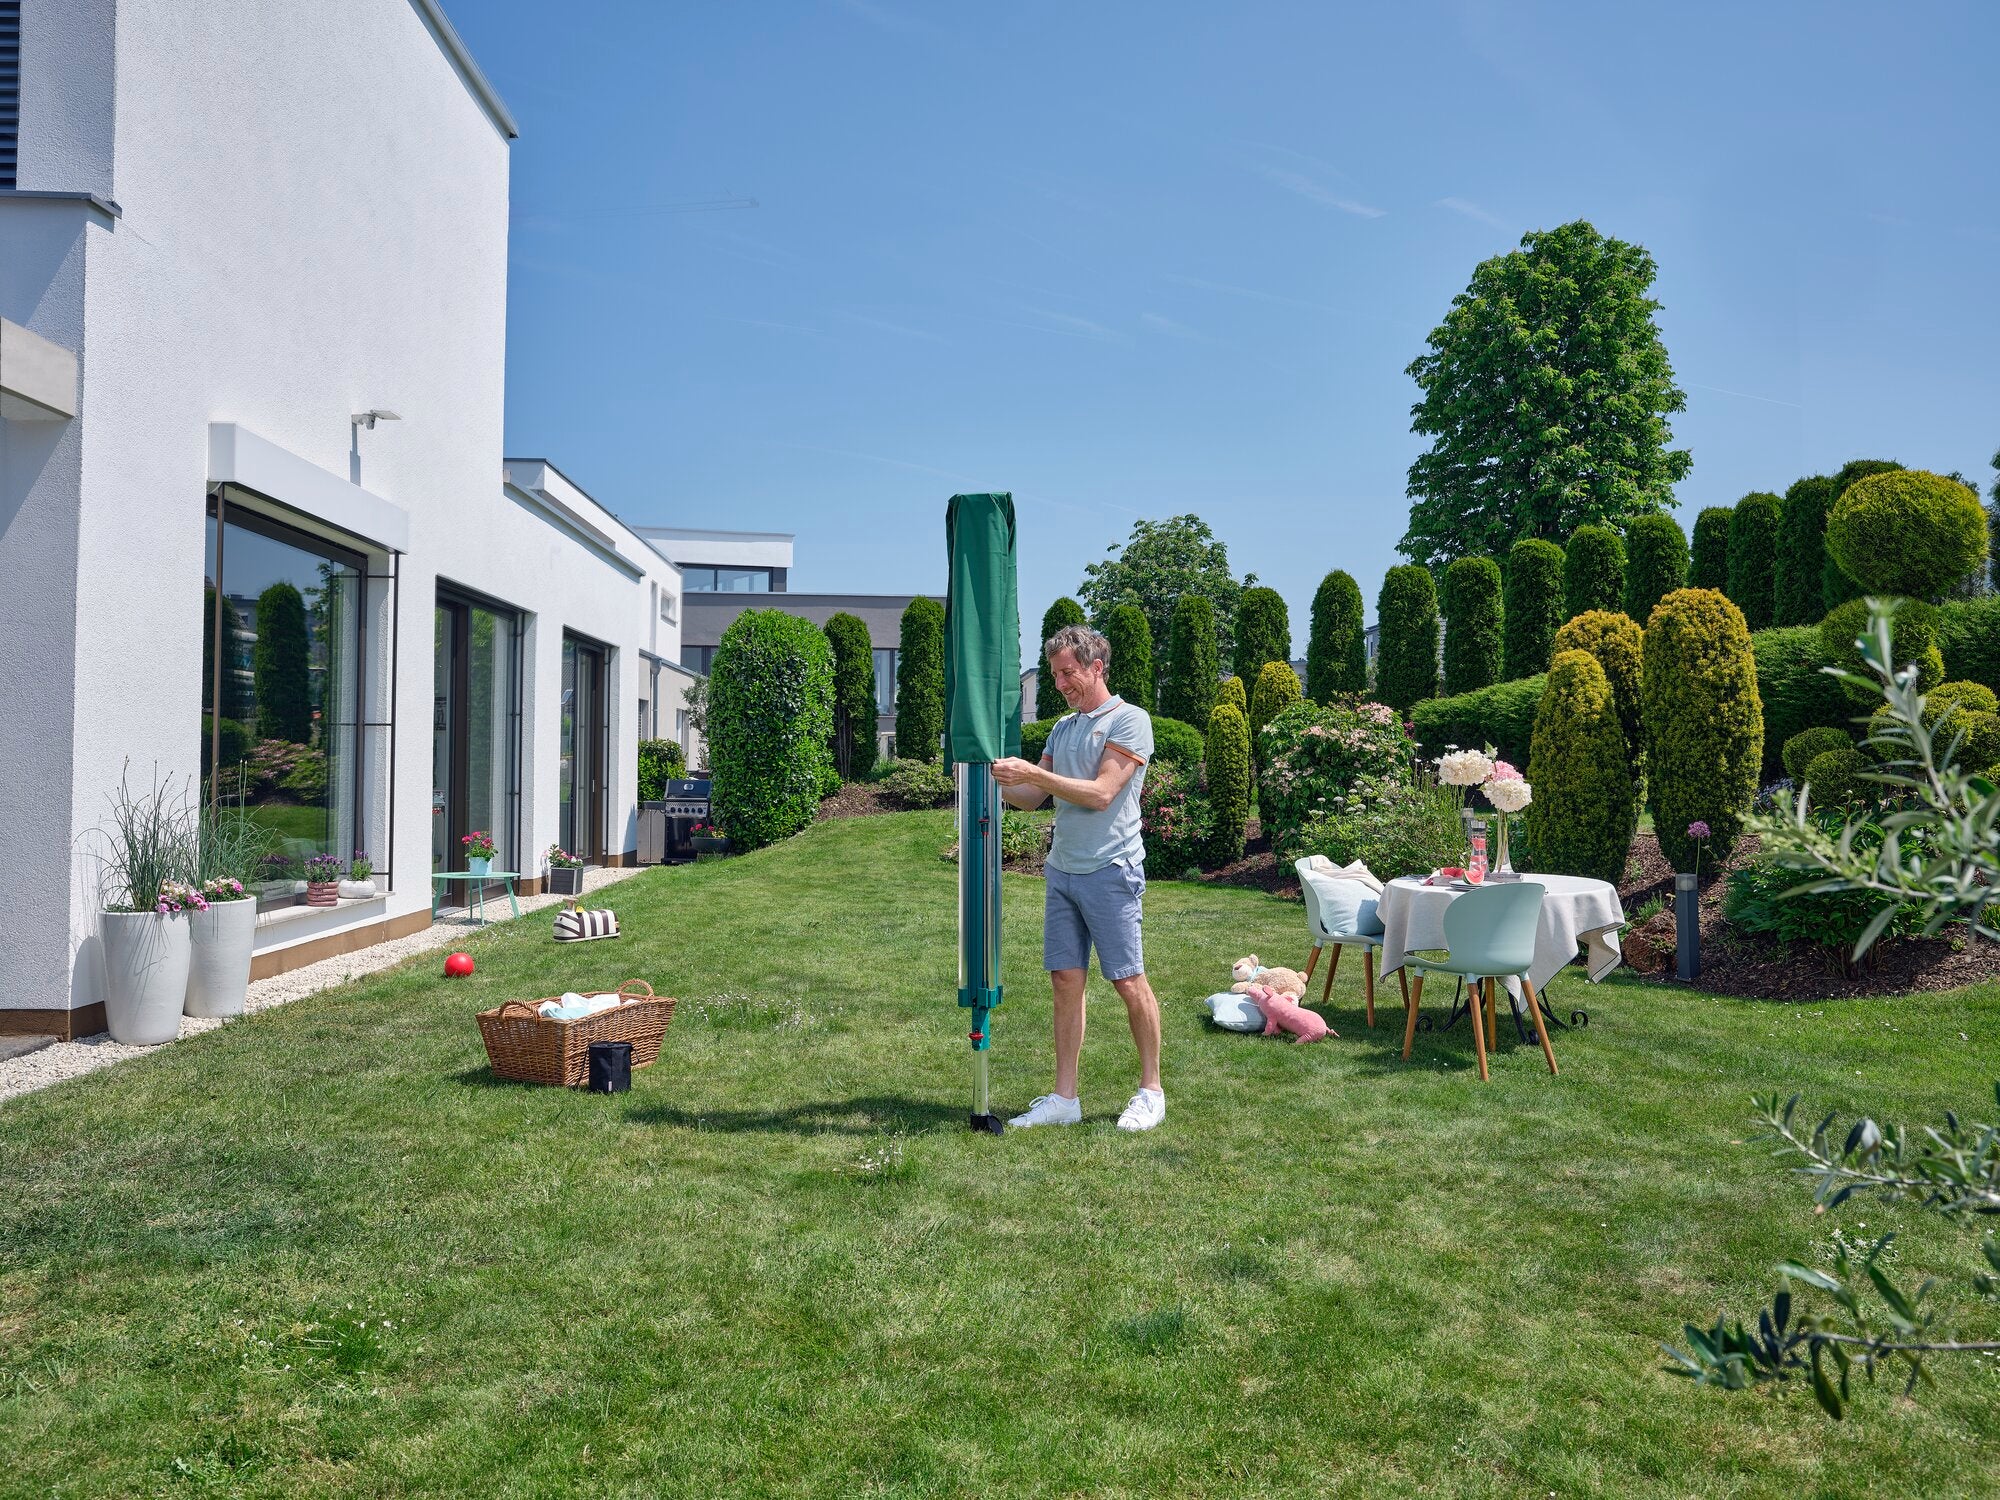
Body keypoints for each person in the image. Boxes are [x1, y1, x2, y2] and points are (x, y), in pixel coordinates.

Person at [990, 623, 1163, 1131]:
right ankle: (1065, 1099)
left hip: (1112, 869)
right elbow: (1031, 798)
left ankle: (1151, 1090)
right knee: (1065, 981)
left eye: (1069, 673)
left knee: (1129, 982)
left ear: (1095, 667)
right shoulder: (1063, 729)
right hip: (1062, 870)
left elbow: (1101, 793)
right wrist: (988, 777)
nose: (1062, 682)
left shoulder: (1129, 721)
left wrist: (1034, 774)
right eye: (1056, 674)